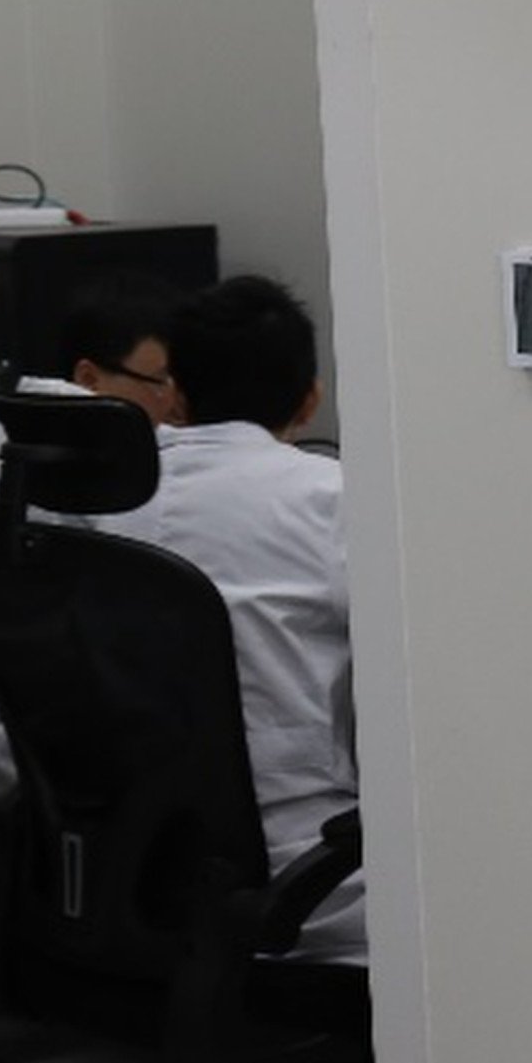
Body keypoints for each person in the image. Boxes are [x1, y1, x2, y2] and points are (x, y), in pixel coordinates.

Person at [92, 271, 365, 963]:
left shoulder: (113, 493)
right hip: (304, 866)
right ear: (311, 400)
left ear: (176, 396)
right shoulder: (328, 500)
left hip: (141, 856)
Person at [0, 271, 191, 821]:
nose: (174, 407)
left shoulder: (26, 434)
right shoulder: (85, 464)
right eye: (159, 382)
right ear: (89, 375)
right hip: (8, 768)